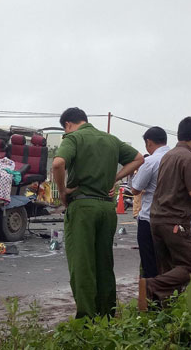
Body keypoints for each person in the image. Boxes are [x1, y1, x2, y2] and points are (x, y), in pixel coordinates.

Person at [52, 107, 144, 318]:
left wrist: (63, 191)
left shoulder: (73, 138)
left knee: (82, 264)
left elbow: (57, 163)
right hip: (107, 208)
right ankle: (107, 315)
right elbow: (139, 158)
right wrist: (115, 177)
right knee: (104, 262)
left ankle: (87, 319)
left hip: (83, 208)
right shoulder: (110, 140)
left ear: (67, 125)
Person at [138, 117, 191, 311]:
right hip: (175, 221)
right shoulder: (188, 157)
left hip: (156, 218)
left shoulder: (169, 155)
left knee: (167, 269)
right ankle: (151, 286)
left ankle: (161, 311)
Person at [131, 127, 170, 279]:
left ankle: (152, 299)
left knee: (150, 263)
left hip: (150, 219)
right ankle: (172, 298)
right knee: (169, 262)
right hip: (174, 219)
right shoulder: (179, 158)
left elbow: (135, 189)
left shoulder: (150, 161)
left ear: (149, 142)